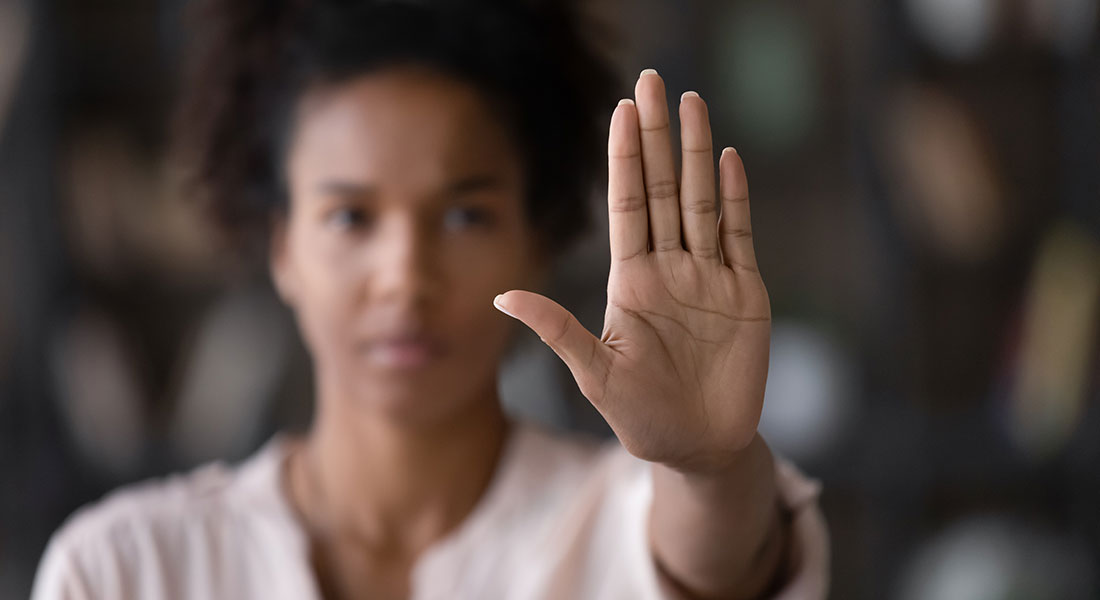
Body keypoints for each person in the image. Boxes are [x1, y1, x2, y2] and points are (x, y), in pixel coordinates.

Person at [32, 0, 829, 598]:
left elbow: (712, 562)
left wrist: (710, 466)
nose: (406, 275)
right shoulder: (126, 569)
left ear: (538, 237)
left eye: (464, 214)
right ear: (281, 246)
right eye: (350, 216)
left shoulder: (624, 522)